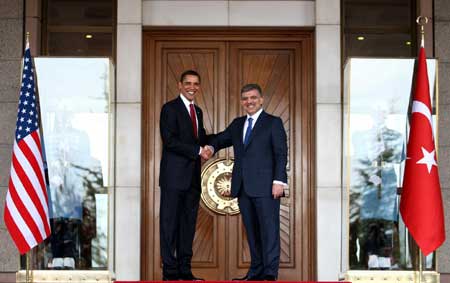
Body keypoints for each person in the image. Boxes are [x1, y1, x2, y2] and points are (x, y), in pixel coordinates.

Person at [209, 84, 287, 281]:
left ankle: (269, 274)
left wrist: (279, 181)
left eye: (253, 98)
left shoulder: (273, 122)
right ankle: (256, 272)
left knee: (269, 231)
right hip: (243, 187)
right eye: (245, 98)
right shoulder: (237, 124)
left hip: (267, 187)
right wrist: (207, 144)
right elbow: (221, 139)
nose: (249, 101)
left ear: (261, 99)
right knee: (252, 233)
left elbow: (280, 153)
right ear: (242, 102)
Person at [159, 70, 212, 281]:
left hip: (192, 179)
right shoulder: (169, 109)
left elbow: (198, 138)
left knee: (188, 226)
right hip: (173, 178)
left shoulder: (197, 111)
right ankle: (170, 273)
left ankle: (185, 271)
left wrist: (212, 144)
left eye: (196, 84)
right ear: (180, 85)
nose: (192, 87)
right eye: (188, 83)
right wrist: (199, 151)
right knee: (169, 225)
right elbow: (170, 140)